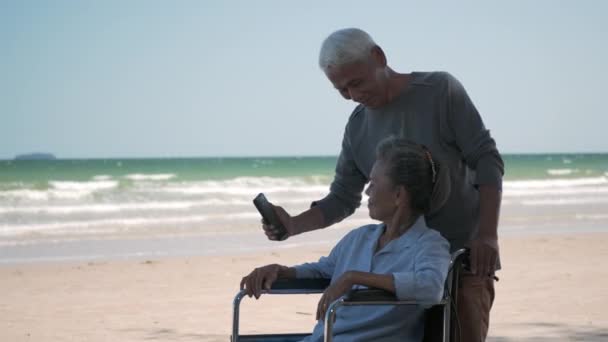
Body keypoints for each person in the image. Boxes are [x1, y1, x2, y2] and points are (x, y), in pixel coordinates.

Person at [263, 28, 504, 342]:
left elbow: (486, 159)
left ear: (379, 57)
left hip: (461, 259)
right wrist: (292, 226)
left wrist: (487, 234)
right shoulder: (358, 126)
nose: (353, 95)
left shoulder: (440, 91)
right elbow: (342, 199)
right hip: (394, 261)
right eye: (342, 90)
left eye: (357, 82)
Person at [242, 138, 451, 342]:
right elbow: (323, 269)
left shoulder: (429, 245)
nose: (368, 191)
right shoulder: (360, 238)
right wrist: (281, 270)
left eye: (374, 183)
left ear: (398, 195)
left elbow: (431, 288)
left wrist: (354, 277)